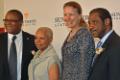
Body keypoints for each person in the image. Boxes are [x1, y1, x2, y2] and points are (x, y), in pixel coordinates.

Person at [62, 1, 95, 80]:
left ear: (79, 16)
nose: (67, 18)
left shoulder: (84, 35)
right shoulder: (71, 33)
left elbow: (85, 67)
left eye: (71, 14)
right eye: (65, 14)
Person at [0, 9, 37, 80]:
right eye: (6, 20)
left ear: (21, 22)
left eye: (12, 21)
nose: (7, 23)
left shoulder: (32, 40)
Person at [88, 8, 120, 80]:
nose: (90, 26)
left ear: (107, 22)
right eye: (89, 23)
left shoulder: (116, 45)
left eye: (95, 22)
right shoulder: (102, 44)